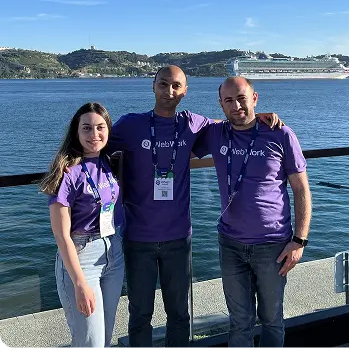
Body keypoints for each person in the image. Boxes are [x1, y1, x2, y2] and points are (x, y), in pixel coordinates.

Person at [108, 66, 282, 348]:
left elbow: (230, 123)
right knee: (140, 313)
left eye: (176, 86)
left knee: (178, 314)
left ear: (185, 91)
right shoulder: (130, 124)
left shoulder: (192, 123)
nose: (169, 91)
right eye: (163, 84)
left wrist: (259, 119)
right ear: (153, 86)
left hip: (178, 238)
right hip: (137, 237)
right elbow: (94, 143)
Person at [192, 76, 312, 348]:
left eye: (242, 98)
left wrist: (299, 240)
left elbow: (302, 189)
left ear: (254, 98)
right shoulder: (215, 133)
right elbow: (178, 147)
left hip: (273, 245)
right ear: (221, 105)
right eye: (229, 101)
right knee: (239, 321)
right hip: (230, 244)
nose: (236, 106)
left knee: (271, 319)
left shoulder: (280, 134)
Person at [40, 102, 125, 348]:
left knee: (104, 337)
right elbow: (61, 235)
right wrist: (79, 283)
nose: (94, 135)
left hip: (113, 252)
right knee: (91, 342)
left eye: (100, 127)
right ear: (76, 132)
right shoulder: (66, 172)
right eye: (86, 128)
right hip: (82, 257)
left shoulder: (108, 162)